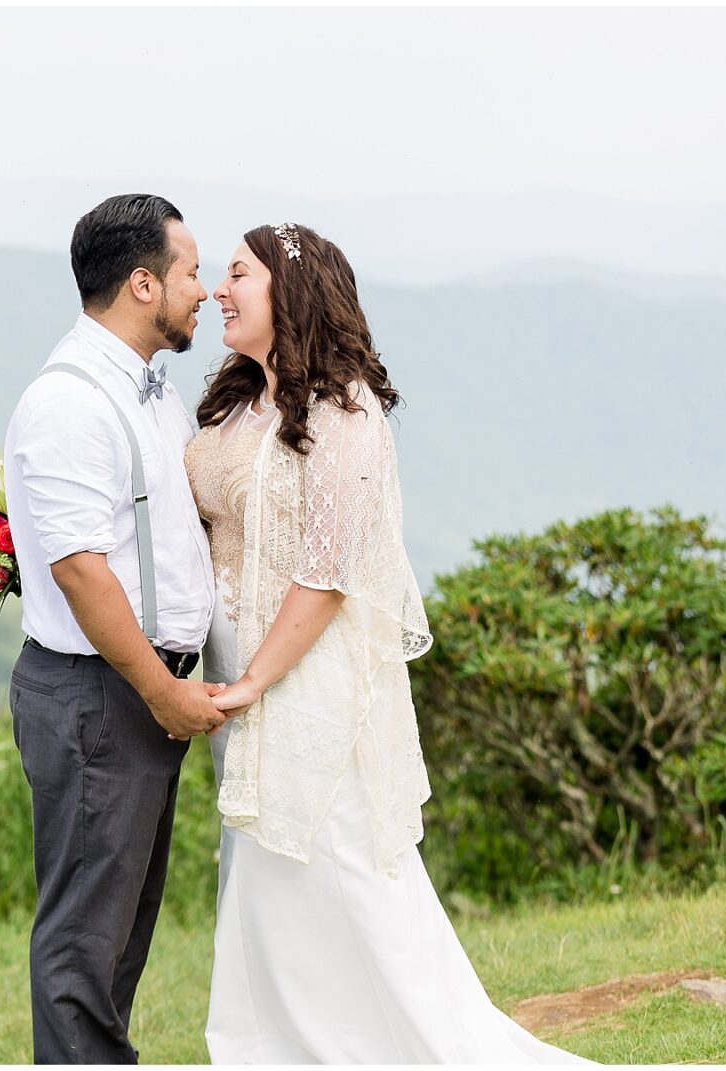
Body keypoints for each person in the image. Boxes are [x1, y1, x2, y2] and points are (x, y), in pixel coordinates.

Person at [184, 222, 597, 1064]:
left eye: (237, 274)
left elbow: (329, 572)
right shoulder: (236, 403)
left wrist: (256, 680)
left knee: (333, 856)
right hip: (235, 676)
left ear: (290, 291)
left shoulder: (346, 411)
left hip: (304, 676)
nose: (219, 290)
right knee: (261, 870)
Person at [2, 193, 232, 1064]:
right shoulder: (69, 405)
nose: (202, 291)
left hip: (138, 689)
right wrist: (161, 689)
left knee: (122, 926)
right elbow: (80, 569)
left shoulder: (148, 394)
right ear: (143, 283)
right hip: (105, 694)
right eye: (190, 272)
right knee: (84, 940)